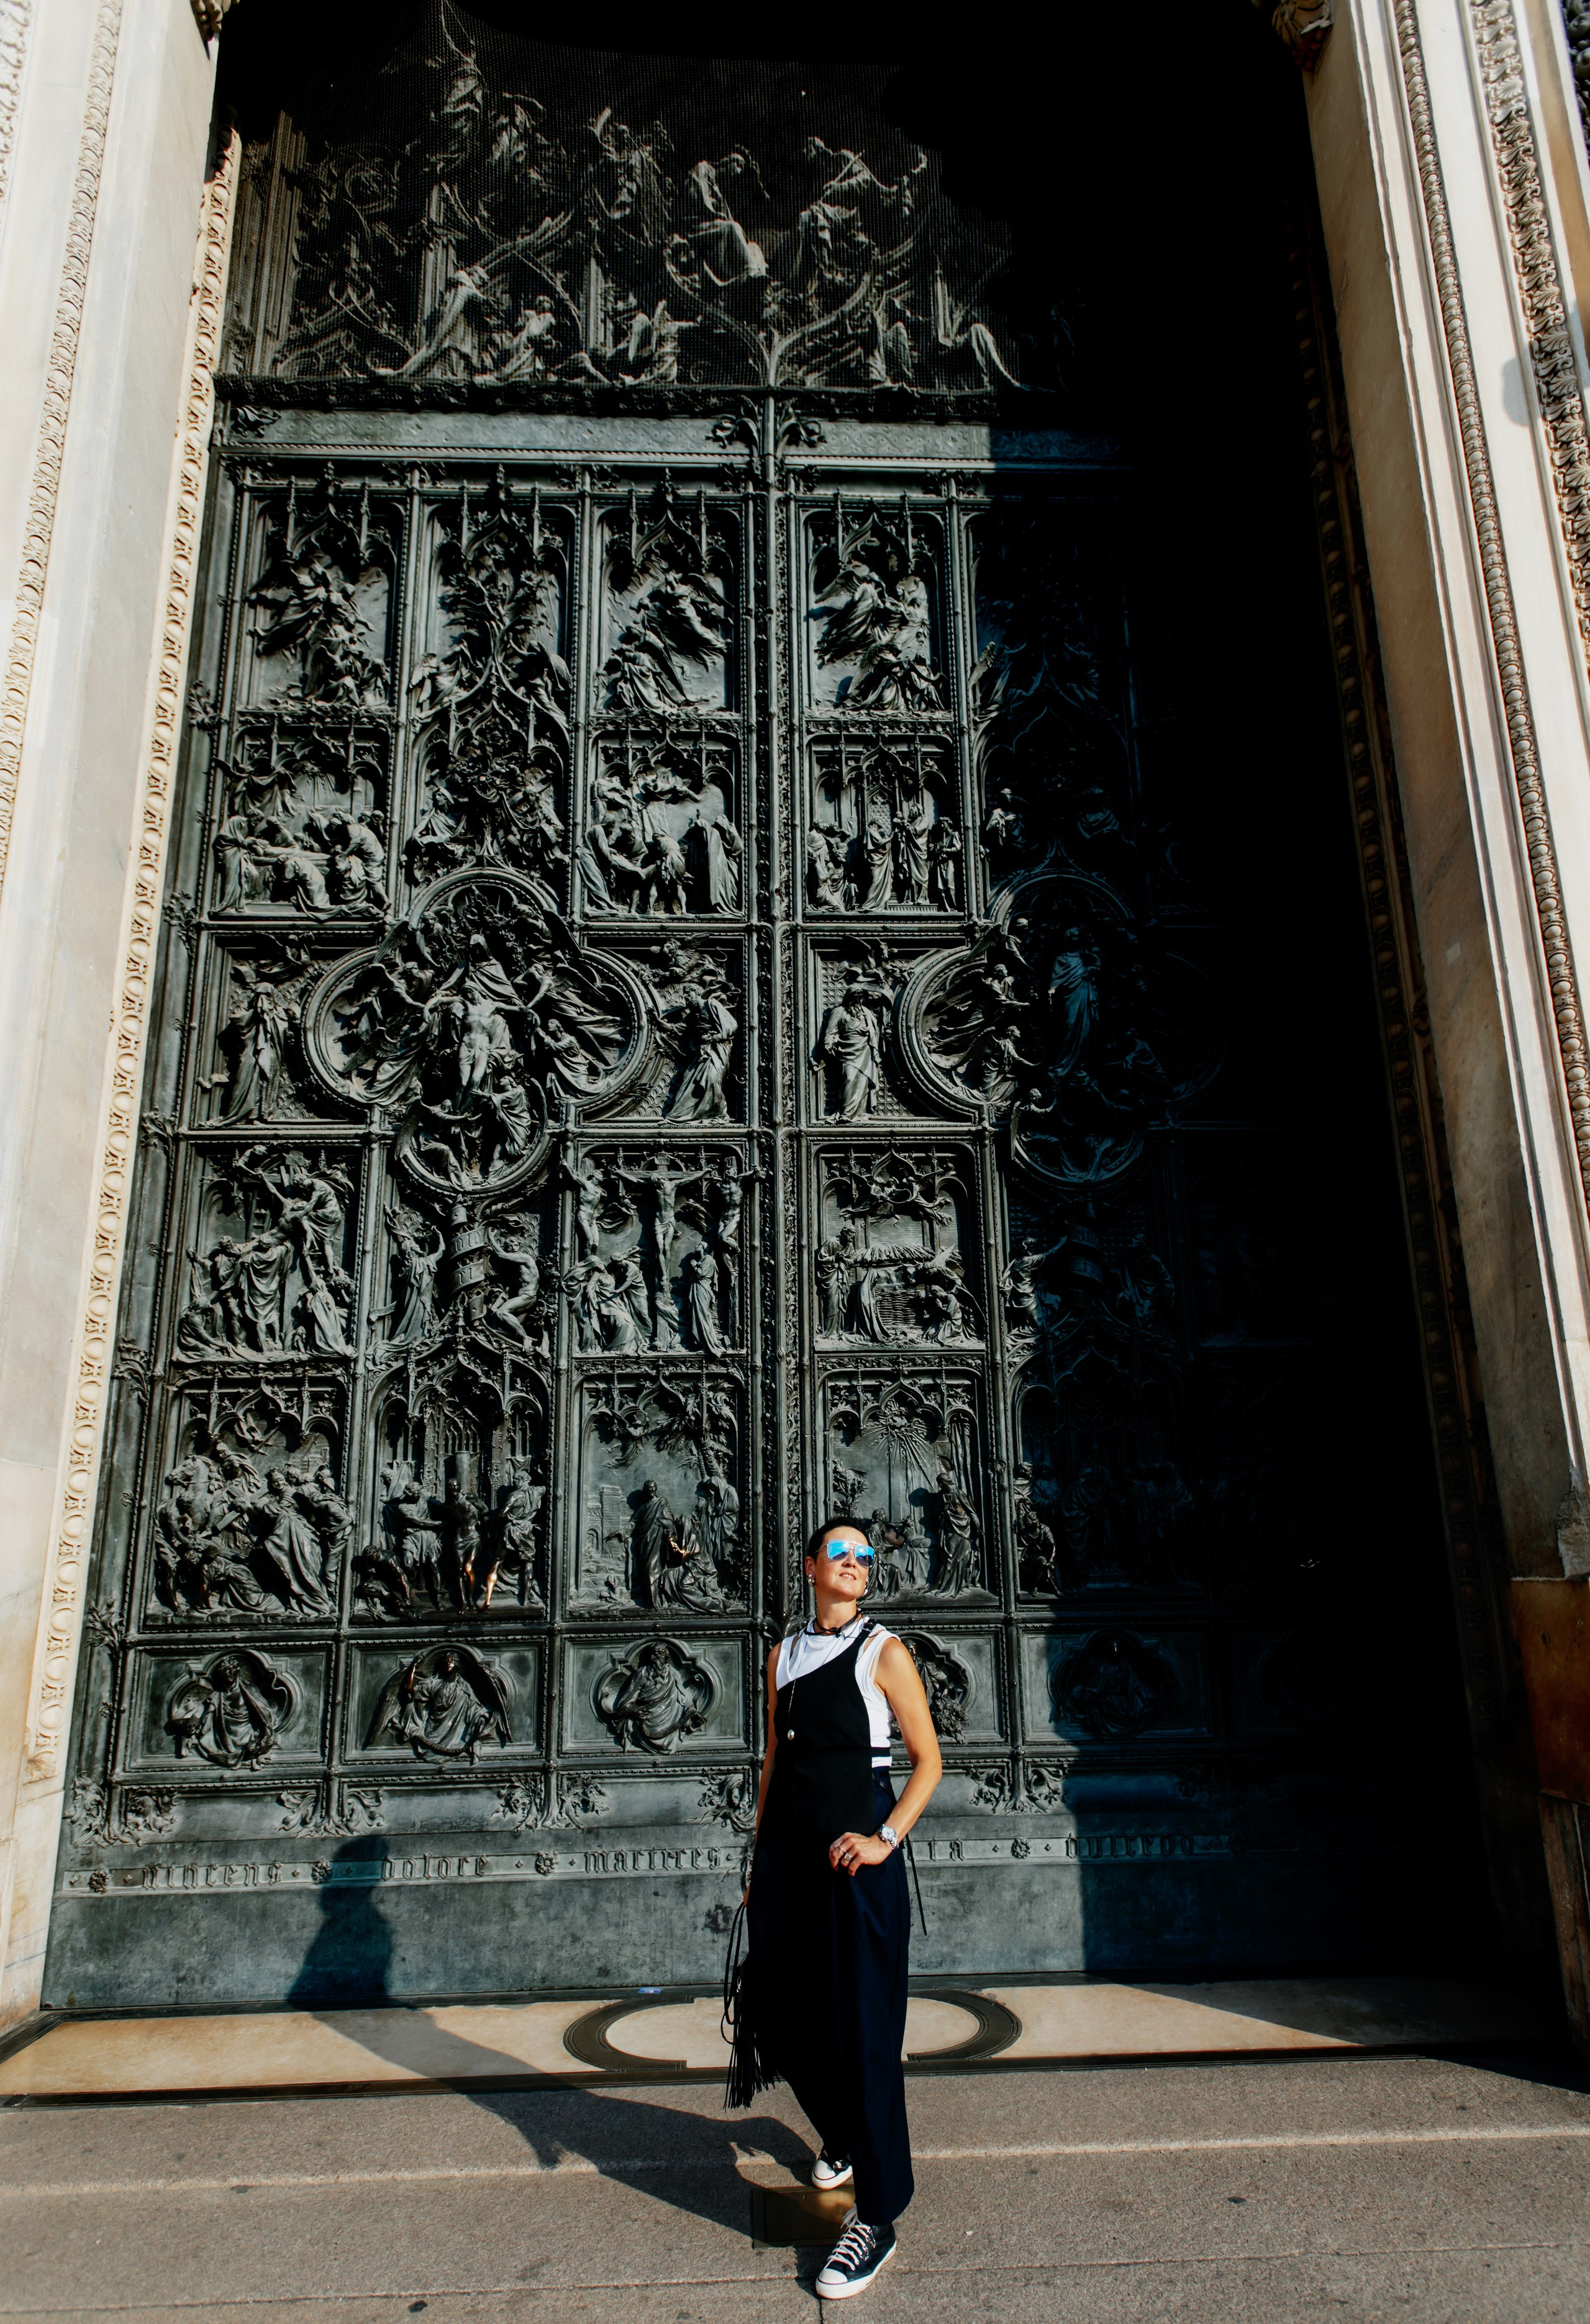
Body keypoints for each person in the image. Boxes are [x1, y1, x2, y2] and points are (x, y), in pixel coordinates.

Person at [738, 1520, 942, 2299]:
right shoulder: (782, 1656)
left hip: (857, 1870)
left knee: (863, 2036)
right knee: (781, 2015)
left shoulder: (883, 1651)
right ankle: (848, 2135)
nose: (856, 1565)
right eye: (842, 1555)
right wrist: (757, 1862)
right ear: (811, 1567)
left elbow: (929, 1761)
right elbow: (772, 1763)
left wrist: (887, 1837)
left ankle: (878, 2216)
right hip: (788, 1863)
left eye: (865, 1558)